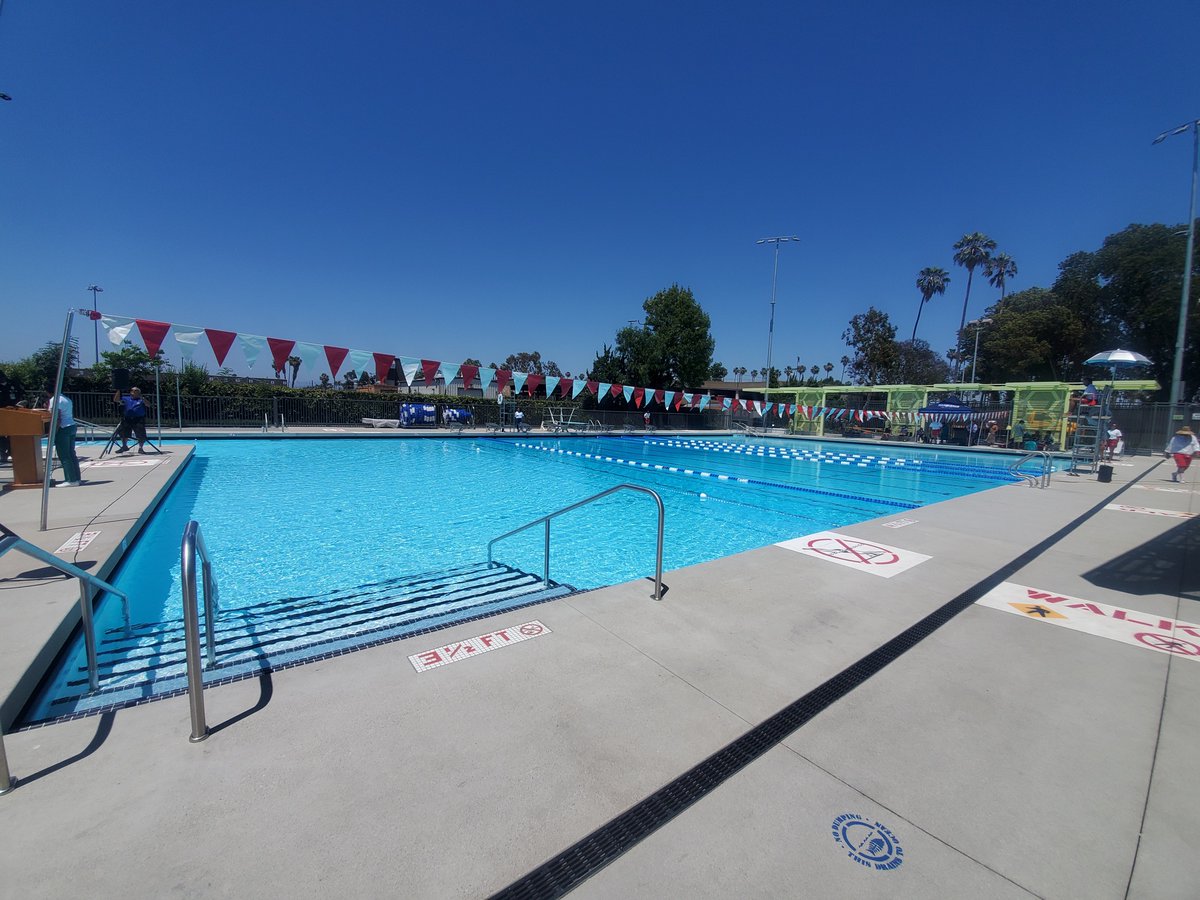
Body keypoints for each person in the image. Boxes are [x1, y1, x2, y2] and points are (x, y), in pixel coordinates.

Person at [44, 386, 82, 486]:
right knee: (71, 454)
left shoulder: (54, 400)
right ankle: (77, 478)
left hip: (62, 428)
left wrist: (52, 433)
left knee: (64, 455)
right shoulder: (66, 399)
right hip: (71, 426)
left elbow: (57, 418)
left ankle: (71, 480)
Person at [114, 386, 150, 453]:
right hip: (127, 418)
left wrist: (142, 398)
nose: (134, 392)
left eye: (136, 391)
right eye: (133, 390)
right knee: (123, 432)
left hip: (138, 419)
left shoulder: (141, 399)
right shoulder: (126, 398)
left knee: (141, 433)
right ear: (131, 392)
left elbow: (148, 405)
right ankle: (124, 446)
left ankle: (140, 448)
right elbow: (116, 400)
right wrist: (119, 391)